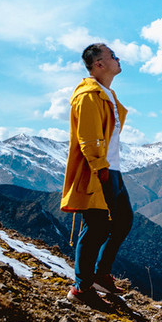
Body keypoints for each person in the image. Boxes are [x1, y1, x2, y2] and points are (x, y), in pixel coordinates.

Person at [60, 42, 134, 305]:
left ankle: (101, 274)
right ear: (99, 64)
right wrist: (100, 168)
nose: (117, 58)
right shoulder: (89, 96)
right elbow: (89, 138)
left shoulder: (106, 95)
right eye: (112, 56)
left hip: (112, 169)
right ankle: (81, 288)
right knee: (96, 226)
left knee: (123, 220)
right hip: (99, 170)